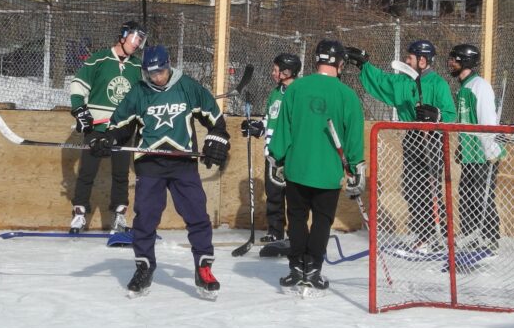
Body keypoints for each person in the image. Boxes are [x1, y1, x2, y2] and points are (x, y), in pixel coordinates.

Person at [89, 45, 229, 299]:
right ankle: (144, 266)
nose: (157, 77)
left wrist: (217, 139)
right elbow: (121, 125)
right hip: (150, 163)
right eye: (151, 73)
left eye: (161, 72)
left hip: (183, 162)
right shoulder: (139, 92)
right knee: (145, 218)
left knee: (197, 214)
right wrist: (107, 138)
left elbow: (215, 119)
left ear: (169, 65)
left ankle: (203, 267)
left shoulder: (187, 86)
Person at [269, 40, 365, 293]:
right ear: (341, 63)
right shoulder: (347, 95)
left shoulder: (295, 89)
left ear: (316, 60)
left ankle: (296, 267)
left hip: (297, 169)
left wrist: (276, 158)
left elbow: (282, 130)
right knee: (322, 221)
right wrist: (356, 167)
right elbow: (354, 137)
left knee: (297, 219)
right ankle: (312, 268)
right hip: (328, 172)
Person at [346, 39, 457, 253]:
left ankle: (439, 235)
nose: (406, 61)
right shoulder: (404, 83)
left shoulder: (438, 84)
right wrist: (364, 65)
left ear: (422, 61)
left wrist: (437, 115)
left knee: (429, 189)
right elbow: (382, 81)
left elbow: (451, 116)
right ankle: (423, 235)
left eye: (410, 58)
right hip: (412, 138)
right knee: (411, 188)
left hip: (431, 139)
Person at [67, 21, 147, 234]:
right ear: (123, 36)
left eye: (140, 40)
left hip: (122, 129)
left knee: (121, 174)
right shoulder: (99, 59)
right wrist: (79, 110)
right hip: (97, 128)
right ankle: (79, 214)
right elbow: (78, 85)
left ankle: (119, 216)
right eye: (135, 37)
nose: (137, 43)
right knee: (87, 172)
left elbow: (145, 96)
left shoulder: (138, 67)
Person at [447, 44, 504, 252]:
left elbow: (487, 120)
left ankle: (490, 238)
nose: (450, 62)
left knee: (481, 196)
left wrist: (489, 150)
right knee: (466, 196)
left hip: (483, 154)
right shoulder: (465, 87)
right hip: (471, 153)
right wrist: (462, 146)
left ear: (465, 61)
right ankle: (471, 236)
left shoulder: (479, 85)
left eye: (454, 59)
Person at [241, 53, 301, 243]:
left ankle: (295, 234)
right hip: (273, 154)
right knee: (274, 195)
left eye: (276, 70)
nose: (273, 73)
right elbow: (270, 119)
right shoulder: (276, 93)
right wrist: (258, 128)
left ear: (287, 72)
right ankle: (275, 231)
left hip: (293, 154)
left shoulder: (300, 93)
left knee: (294, 198)